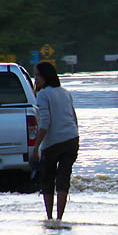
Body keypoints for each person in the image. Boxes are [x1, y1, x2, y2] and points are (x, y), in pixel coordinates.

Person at [32, 61, 79, 220]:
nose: (35, 79)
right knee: (63, 179)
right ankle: (59, 218)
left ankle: (50, 218)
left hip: (53, 143)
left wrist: (36, 147)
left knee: (47, 180)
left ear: (46, 76)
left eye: (37, 75)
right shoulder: (65, 92)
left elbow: (45, 123)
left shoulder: (43, 95)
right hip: (71, 139)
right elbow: (73, 117)